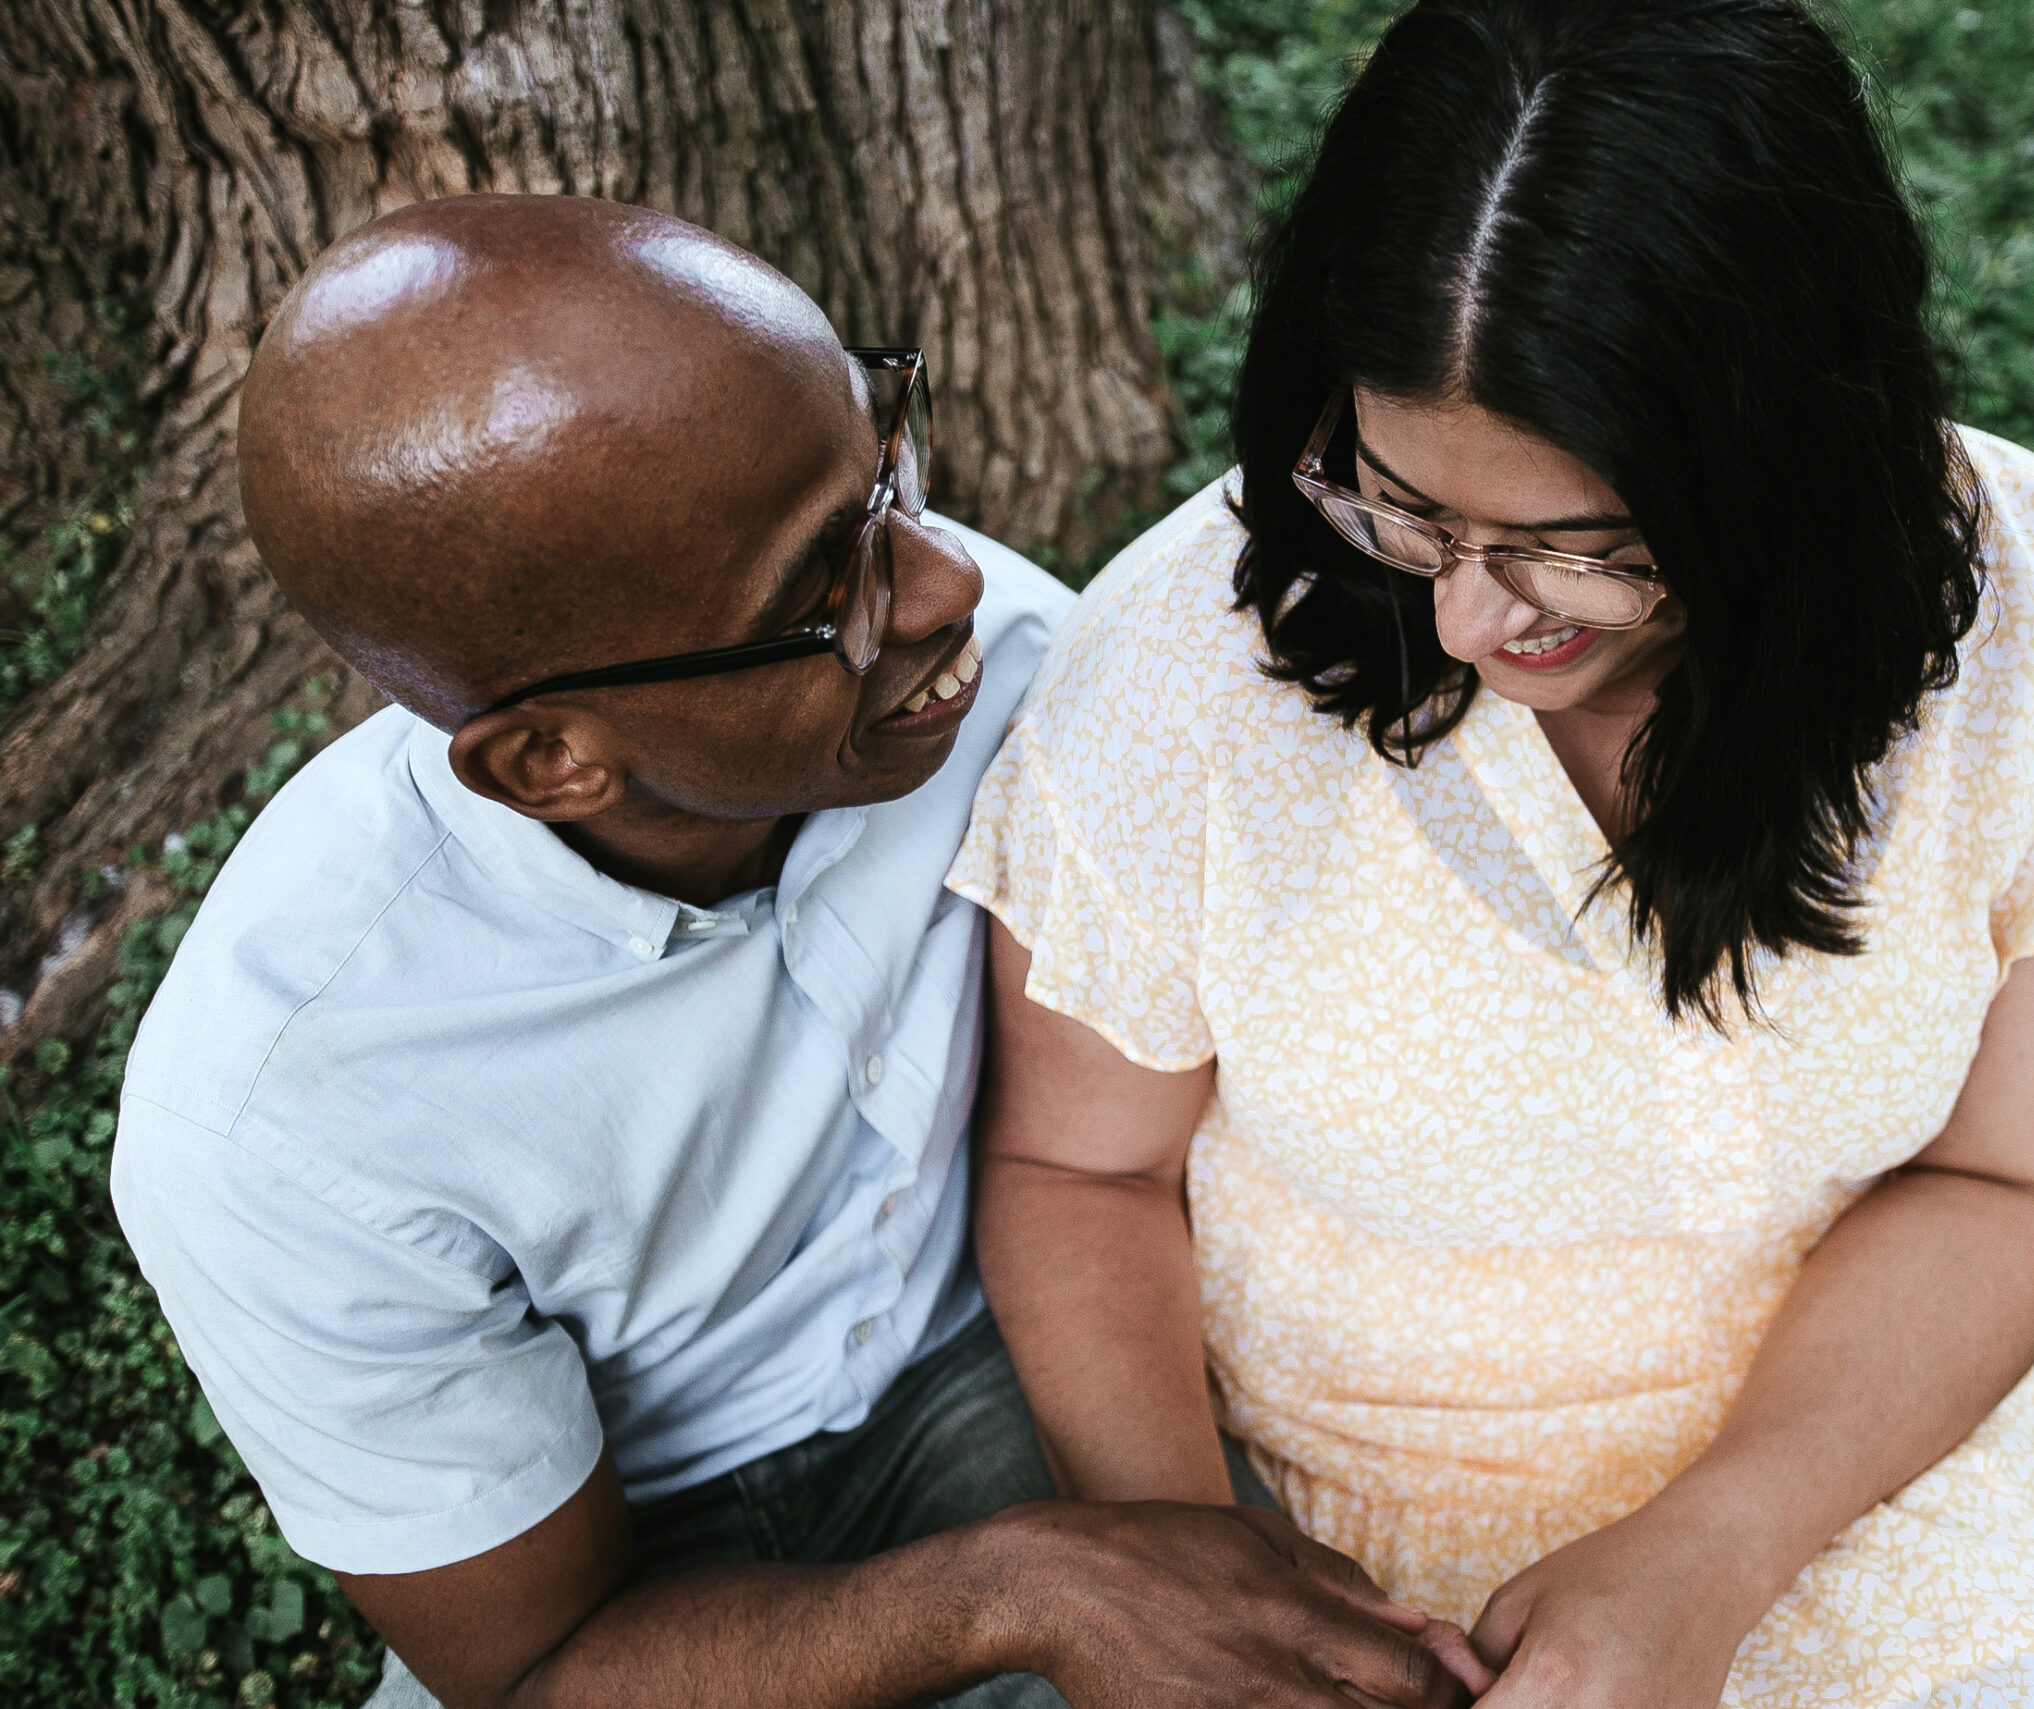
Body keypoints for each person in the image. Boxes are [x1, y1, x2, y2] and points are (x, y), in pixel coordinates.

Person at [950, 1, 2034, 1705]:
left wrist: (1720, 1540)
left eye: (1576, 547)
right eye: (1403, 507)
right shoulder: (1186, 667)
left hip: (1872, 1464)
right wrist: (1211, 1598)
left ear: (1785, 467)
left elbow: (2022, 1176)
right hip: (1338, 1545)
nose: (1473, 616)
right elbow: (1078, 1176)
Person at [110, 194, 1486, 1709]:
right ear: (554, 759)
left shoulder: (998, 675)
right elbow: (536, 1667)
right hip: (639, 1559)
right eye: (821, 585)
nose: (952, 581)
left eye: (882, 455)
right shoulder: (281, 1118)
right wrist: (1024, 1584)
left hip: (992, 1347)